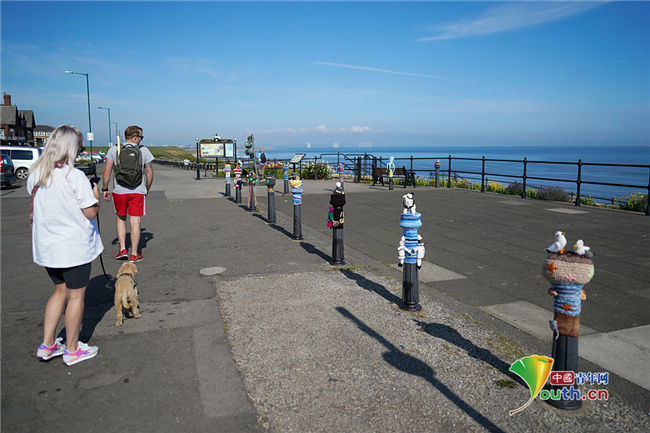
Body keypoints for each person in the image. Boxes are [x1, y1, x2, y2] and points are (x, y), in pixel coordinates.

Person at [28, 125, 103, 366]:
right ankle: (72, 350)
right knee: (76, 297)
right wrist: (96, 195)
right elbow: (90, 212)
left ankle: (47, 345)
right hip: (73, 248)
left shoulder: (36, 174)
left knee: (59, 291)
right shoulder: (74, 176)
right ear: (70, 148)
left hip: (48, 248)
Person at [101, 125, 154, 262]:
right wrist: (147, 188)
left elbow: (107, 172)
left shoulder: (114, 149)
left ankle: (123, 249)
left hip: (119, 191)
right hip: (137, 191)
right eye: (141, 137)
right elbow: (149, 172)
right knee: (135, 222)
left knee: (120, 219)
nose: (141, 140)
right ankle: (134, 254)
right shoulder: (144, 151)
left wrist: (105, 188)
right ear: (135, 137)